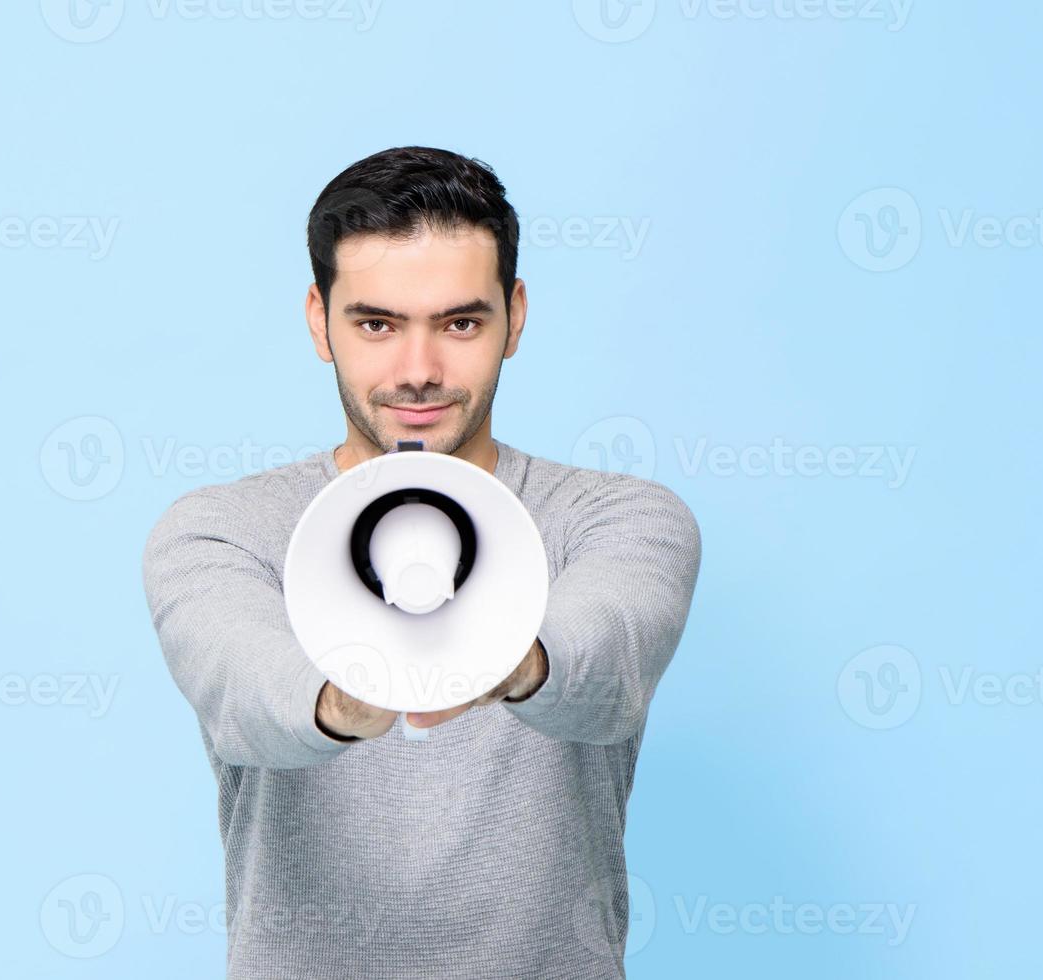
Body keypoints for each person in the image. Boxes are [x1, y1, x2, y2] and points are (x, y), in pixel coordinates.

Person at [142, 146, 702, 979]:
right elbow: (242, 692)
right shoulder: (220, 531)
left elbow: (607, 658)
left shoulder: (619, 518)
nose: (418, 372)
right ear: (317, 319)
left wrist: (502, 657)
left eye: (460, 322)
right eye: (376, 324)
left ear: (515, 317)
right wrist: (349, 694)